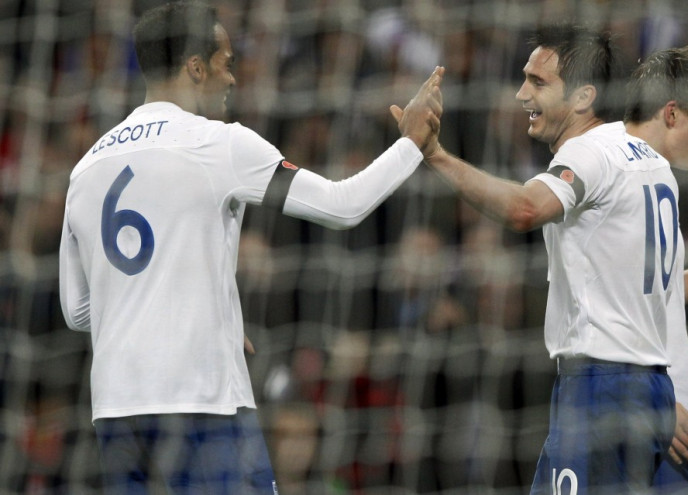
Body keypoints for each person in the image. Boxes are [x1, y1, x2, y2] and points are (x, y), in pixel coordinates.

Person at [58, 2, 443, 493]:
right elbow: (342, 206)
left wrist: (174, 307)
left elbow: (78, 312)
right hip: (203, 404)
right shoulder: (217, 144)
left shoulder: (86, 168)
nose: (234, 78)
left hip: (115, 413)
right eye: (227, 63)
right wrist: (411, 143)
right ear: (196, 67)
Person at [394, 24, 680, 493]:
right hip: (650, 387)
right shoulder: (652, 161)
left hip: (600, 385)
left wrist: (435, 154)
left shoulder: (589, 154)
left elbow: (526, 209)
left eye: (538, 82)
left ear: (584, 96)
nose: (521, 93)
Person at [622, 45, 688, 494]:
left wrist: (682, 402)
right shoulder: (622, 175)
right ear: (671, 113)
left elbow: (654, 294)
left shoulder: (658, 183)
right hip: (628, 419)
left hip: (671, 434)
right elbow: (626, 304)